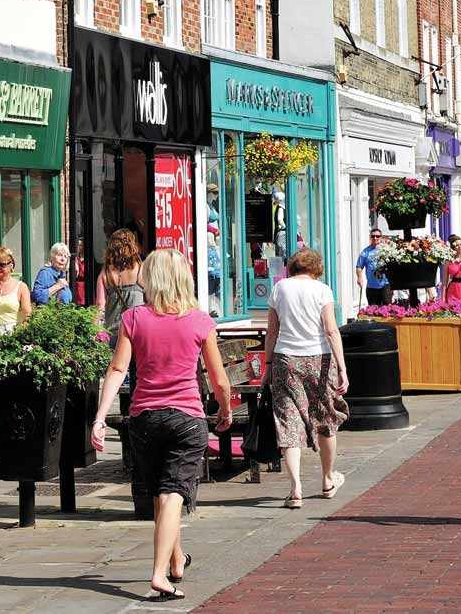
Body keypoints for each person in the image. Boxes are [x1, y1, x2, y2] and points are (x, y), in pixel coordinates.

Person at [89, 250, 232, 602]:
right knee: (172, 493)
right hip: (186, 419)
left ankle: (176, 559)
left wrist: (100, 418)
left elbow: (117, 370)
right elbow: (218, 379)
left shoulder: (134, 318)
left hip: (144, 419)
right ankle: (158, 574)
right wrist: (225, 409)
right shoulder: (199, 321)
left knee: (160, 493)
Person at [263, 249, 351, 510]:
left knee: (288, 421)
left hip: (286, 359)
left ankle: (295, 489)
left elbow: (272, 331)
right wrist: (342, 368)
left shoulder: (280, 289)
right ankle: (327, 480)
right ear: (316, 267)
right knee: (326, 418)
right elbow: (331, 330)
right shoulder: (322, 290)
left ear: (293, 266)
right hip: (319, 359)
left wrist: (268, 364)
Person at [99, 228, 145, 332]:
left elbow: (100, 305)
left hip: (113, 332)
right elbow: (151, 300)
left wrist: (95, 331)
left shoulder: (106, 272)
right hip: (137, 330)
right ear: (132, 245)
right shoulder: (141, 269)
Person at [353, 229, 390, 309]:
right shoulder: (365, 252)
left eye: (377, 236)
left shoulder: (386, 250)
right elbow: (359, 266)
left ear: (381, 237)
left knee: (387, 310)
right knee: (373, 311)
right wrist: (359, 277)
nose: (375, 238)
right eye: (373, 236)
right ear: (370, 237)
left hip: (385, 285)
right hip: (371, 286)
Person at [31, 242, 74, 306]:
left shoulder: (61, 275)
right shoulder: (45, 273)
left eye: (65, 256)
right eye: (60, 255)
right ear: (52, 257)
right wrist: (57, 286)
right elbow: (37, 296)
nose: (63, 259)